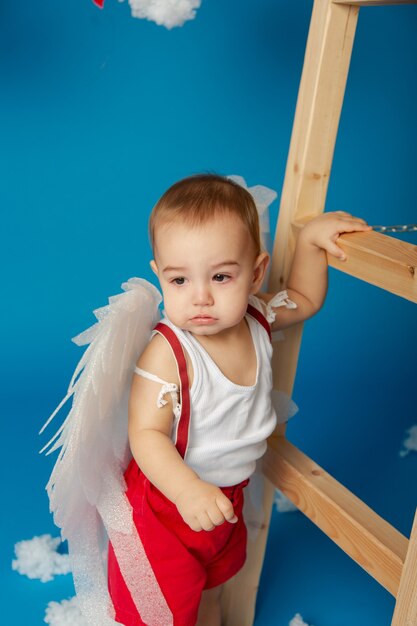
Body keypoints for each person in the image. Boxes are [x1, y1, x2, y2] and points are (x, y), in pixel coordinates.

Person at [106, 173, 372, 626]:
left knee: (212, 592)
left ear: (256, 273)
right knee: (161, 612)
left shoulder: (258, 315)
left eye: (222, 276)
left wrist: (310, 242)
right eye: (180, 280)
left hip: (227, 496)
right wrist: (187, 490)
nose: (201, 296)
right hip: (166, 506)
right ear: (159, 275)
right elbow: (146, 434)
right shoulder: (169, 351)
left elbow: (305, 298)